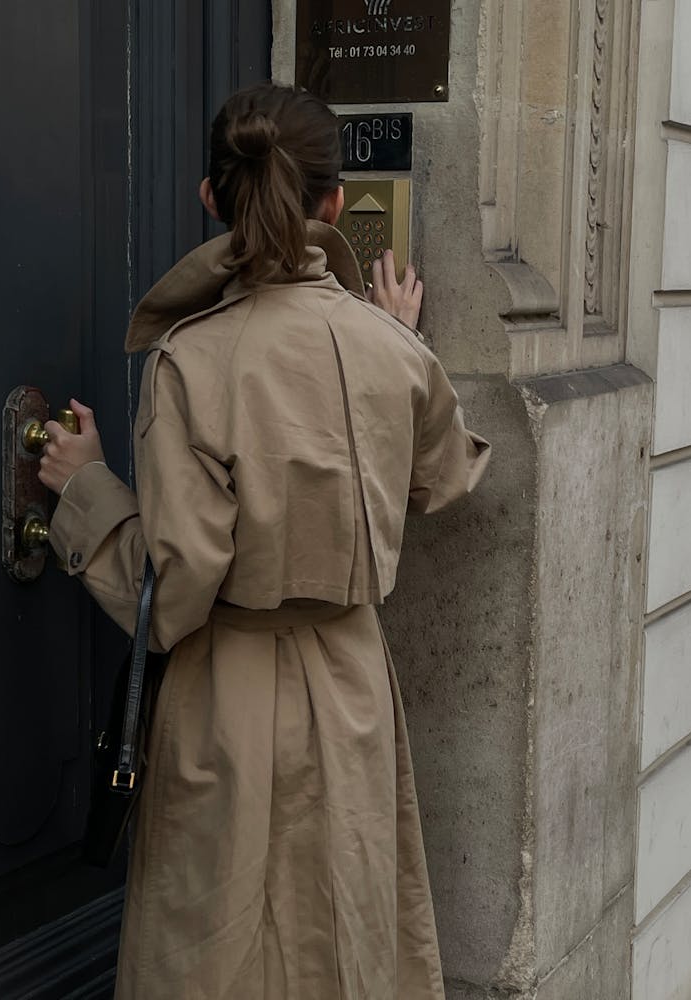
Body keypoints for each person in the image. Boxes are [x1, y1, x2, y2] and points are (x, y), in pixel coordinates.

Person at [39, 83, 490, 1000]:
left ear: (212, 197)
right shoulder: (392, 352)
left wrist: (84, 491)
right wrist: (387, 349)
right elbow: (441, 476)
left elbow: (174, 587)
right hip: (353, 687)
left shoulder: (190, 360)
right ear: (333, 203)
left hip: (228, 698)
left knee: (218, 958)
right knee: (349, 948)